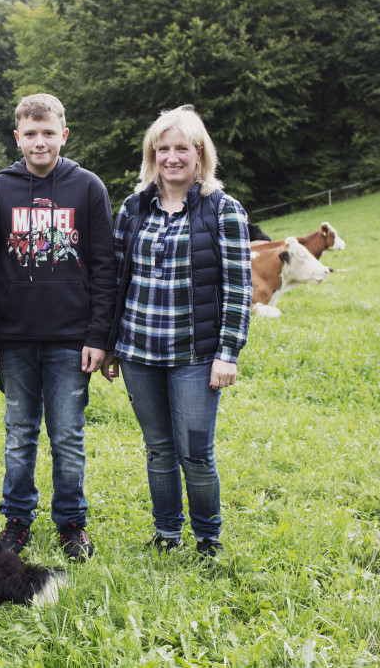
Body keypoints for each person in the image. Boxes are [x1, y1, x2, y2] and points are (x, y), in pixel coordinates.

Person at [102, 105, 252, 557]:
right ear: (152, 155)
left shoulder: (223, 209)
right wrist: (110, 345)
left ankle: (208, 537)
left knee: (196, 453)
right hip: (137, 351)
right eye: (162, 148)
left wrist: (228, 352)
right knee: (158, 449)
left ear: (199, 153)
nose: (171, 157)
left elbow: (240, 288)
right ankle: (167, 534)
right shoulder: (133, 207)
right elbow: (113, 279)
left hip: (196, 354)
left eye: (181, 148)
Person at [0, 94, 116, 560]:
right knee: (19, 433)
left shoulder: (88, 188)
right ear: (17, 137)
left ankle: (72, 523)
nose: (40, 142)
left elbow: (103, 266)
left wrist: (99, 335)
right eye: (30, 134)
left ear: (64, 135)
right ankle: (17, 519)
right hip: (13, 338)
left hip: (71, 340)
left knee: (68, 435)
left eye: (48, 133)